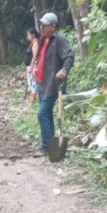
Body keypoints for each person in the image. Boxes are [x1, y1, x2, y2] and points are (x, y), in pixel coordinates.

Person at [34, 12, 74, 156]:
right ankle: (50, 147)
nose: (42, 28)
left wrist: (64, 70)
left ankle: (47, 147)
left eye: (45, 25)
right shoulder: (44, 39)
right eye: (41, 25)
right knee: (47, 115)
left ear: (53, 27)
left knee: (42, 114)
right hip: (42, 83)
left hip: (52, 85)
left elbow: (69, 56)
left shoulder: (59, 40)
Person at [24, 27, 40, 102]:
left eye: (28, 35)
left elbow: (35, 56)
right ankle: (32, 100)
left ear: (33, 35)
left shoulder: (35, 43)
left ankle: (32, 101)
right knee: (31, 84)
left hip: (33, 66)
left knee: (33, 84)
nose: (27, 37)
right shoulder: (32, 43)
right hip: (30, 66)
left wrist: (32, 67)